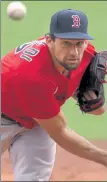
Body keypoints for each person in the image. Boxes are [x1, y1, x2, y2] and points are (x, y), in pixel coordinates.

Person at [1, 9, 107, 181]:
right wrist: (104, 158)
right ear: (49, 40)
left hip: (36, 121)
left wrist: (89, 96)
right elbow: (60, 132)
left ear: (86, 42)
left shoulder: (86, 55)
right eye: (66, 43)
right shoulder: (31, 75)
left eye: (79, 43)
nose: (74, 52)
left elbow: (98, 109)